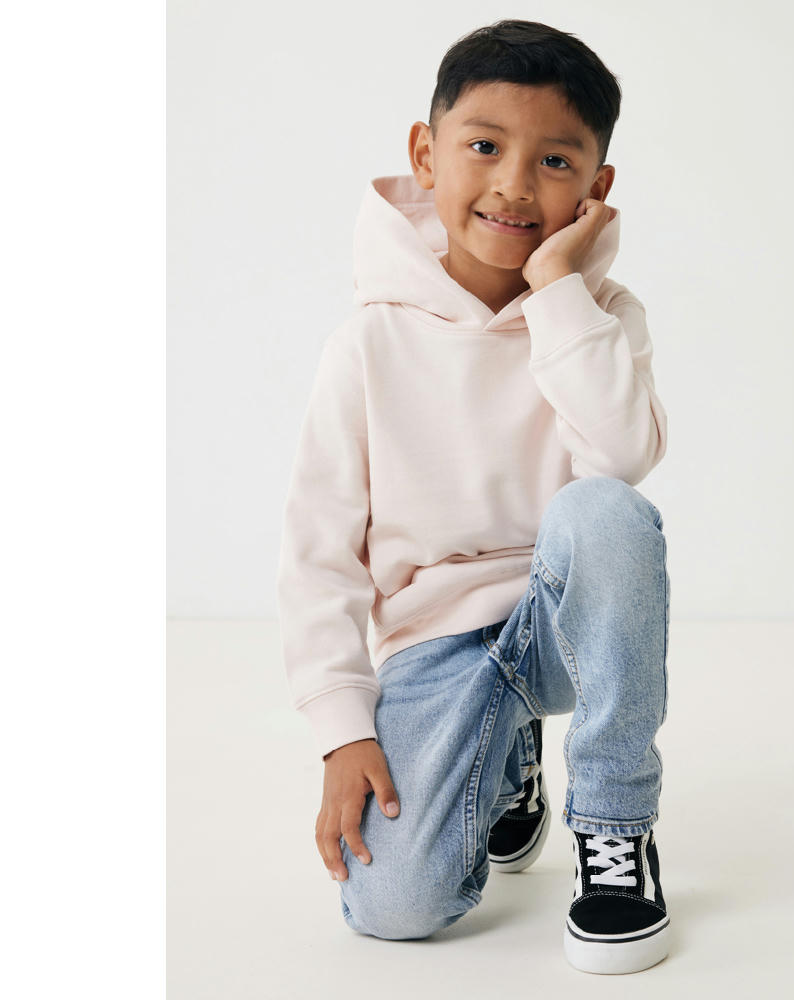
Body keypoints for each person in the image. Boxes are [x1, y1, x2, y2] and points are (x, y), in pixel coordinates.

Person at [276, 18, 672, 976]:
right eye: (485, 146)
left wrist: (554, 287)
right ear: (426, 153)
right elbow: (319, 551)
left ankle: (615, 827)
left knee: (606, 512)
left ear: (595, 189)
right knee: (393, 908)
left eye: (556, 161)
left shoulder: (600, 318)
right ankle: (511, 763)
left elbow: (622, 457)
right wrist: (342, 730)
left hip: (564, 621)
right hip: (434, 645)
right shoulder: (367, 344)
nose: (515, 184)